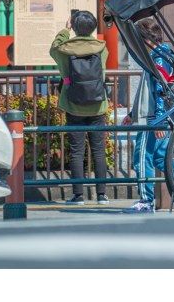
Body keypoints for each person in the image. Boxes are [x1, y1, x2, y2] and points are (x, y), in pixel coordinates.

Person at [121, 17, 174, 213]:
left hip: (152, 118)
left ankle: (146, 201)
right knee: (160, 158)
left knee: (142, 158)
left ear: (144, 39)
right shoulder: (163, 55)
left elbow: (161, 90)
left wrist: (158, 119)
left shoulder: (156, 58)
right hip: (157, 116)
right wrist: (133, 113)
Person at [50, 11, 110, 205]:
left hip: (73, 105)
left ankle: (78, 196)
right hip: (97, 105)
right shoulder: (102, 48)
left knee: (77, 152)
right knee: (98, 150)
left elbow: (54, 48)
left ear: (74, 27)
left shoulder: (64, 49)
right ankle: (102, 195)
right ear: (93, 28)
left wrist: (65, 30)